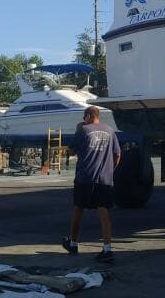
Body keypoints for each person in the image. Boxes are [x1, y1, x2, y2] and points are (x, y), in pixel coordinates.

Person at [62, 106, 120, 262]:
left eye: (84, 116)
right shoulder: (110, 131)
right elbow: (117, 154)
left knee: (78, 209)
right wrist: (110, 170)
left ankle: (73, 244)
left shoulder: (83, 130)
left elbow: (72, 151)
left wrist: (78, 130)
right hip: (104, 179)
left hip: (85, 177)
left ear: (88, 116)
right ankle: (107, 249)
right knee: (103, 211)